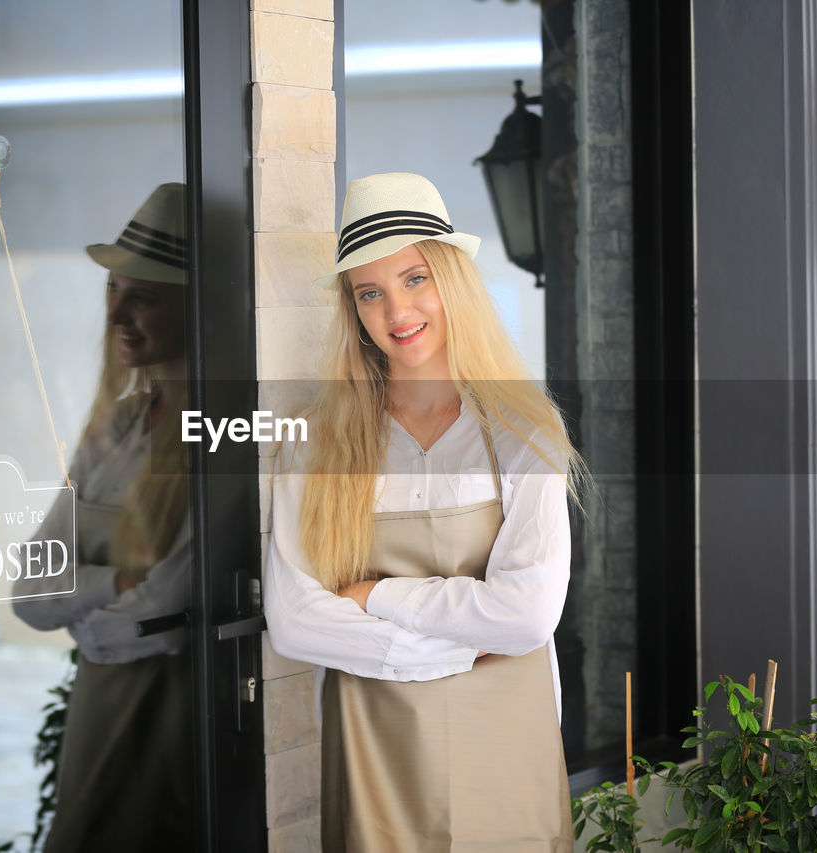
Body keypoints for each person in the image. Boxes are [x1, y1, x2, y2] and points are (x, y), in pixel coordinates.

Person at [264, 172, 586, 852]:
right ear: (353, 309)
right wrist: (467, 641)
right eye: (370, 292)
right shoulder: (318, 439)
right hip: (374, 746)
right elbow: (293, 619)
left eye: (414, 279)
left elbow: (529, 614)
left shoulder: (522, 428)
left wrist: (376, 594)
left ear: (453, 279)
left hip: (508, 742)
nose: (395, 311)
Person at [12, 182, 194, 851]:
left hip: (173, 718)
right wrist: (113, 588)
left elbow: (174, 613)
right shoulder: (114, 428)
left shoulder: (228, 433)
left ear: (195, 304)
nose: (118, 313)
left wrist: (85, 603)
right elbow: (29, 594)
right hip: (99, 704)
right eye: (113, 291)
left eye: (143, 294)